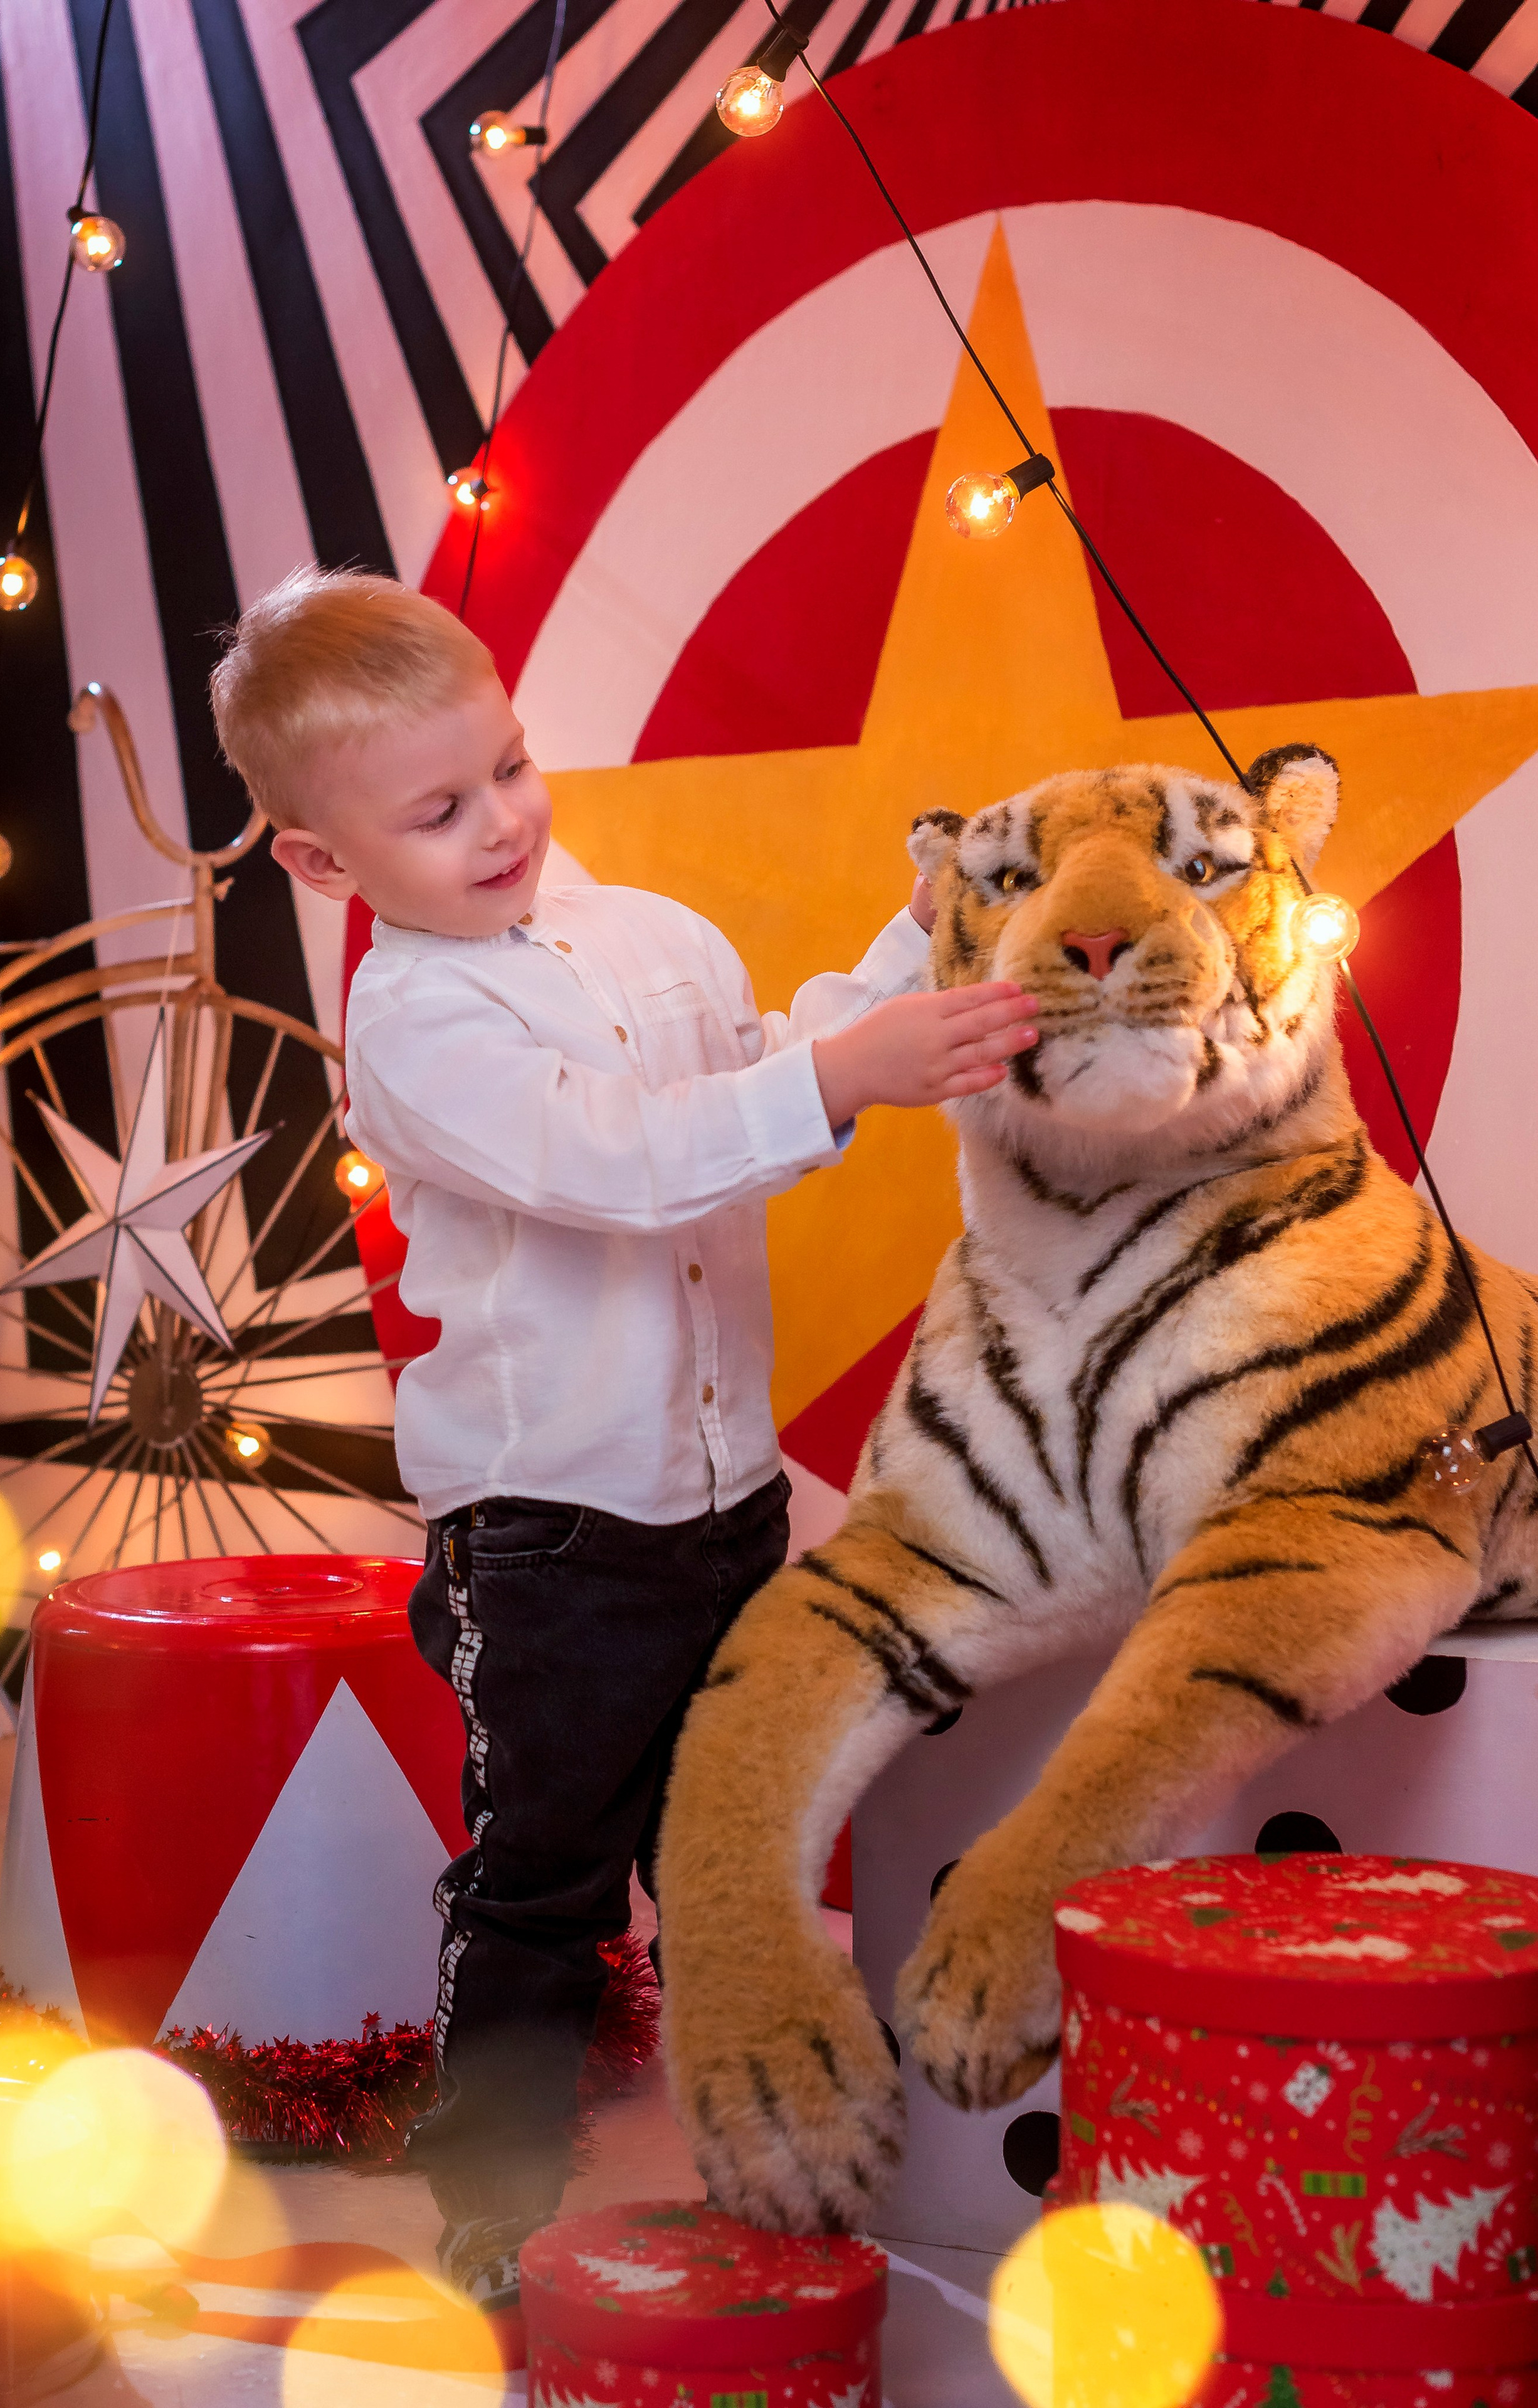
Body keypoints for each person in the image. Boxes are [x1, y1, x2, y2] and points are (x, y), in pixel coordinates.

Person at [209, 566, 1038, 2308]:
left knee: (725, 1846)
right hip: (555, 1537)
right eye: (437, 812)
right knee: (544, 1876)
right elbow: (626, 1161)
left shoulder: (649, 935)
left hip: (725, 1506)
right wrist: (844, 1074)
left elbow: (755, 1078)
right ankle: (493, 2204)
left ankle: (769, 2161)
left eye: (508, 765)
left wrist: (907, 956)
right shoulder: (418, 1023)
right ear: (320, 861)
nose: (502, 821)